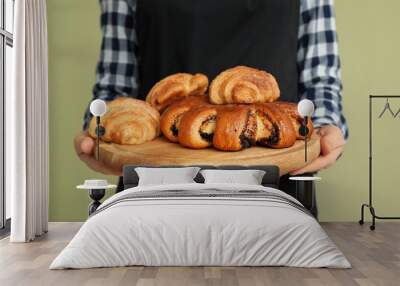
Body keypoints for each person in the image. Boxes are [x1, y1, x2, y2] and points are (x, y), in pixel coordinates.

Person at [74, 0, 348, 215]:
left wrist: (325, 128)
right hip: (154, 182)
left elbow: (320, 79)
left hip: (279, 182)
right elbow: (115, 86)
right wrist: (99, 131)